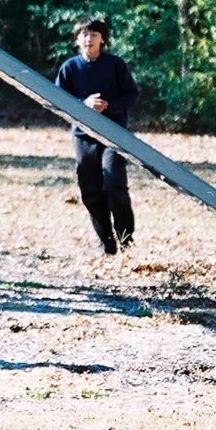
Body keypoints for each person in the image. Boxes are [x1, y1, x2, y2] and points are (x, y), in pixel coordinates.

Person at [55, 15, 139, 255]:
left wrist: (109, 106)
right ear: (76, 40)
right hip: (83, 136)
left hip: (113, 135)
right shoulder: (69, 68)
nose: (88, 39)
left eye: (93, 35)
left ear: (102, 39)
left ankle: (125, 241)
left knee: (114, 184)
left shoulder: (115, 65)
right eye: (84, 35)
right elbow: (58, 102)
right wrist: (84, 104)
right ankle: (106, 244)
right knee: (90, 190)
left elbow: (131, 95)